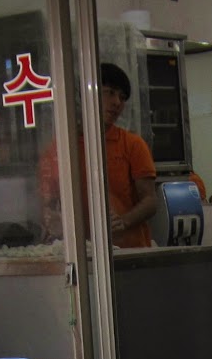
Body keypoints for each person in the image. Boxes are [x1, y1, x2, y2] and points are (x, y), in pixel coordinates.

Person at [40, 62, 160, 248]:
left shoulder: (133, 145)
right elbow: (47, 201)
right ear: (87, 94)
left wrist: (123, 221)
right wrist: (53, 220)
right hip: (82, 254)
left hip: (128, 253)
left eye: (122, 97)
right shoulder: (62, 149)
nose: (117, 103)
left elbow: (150, 200)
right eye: (110, 92)